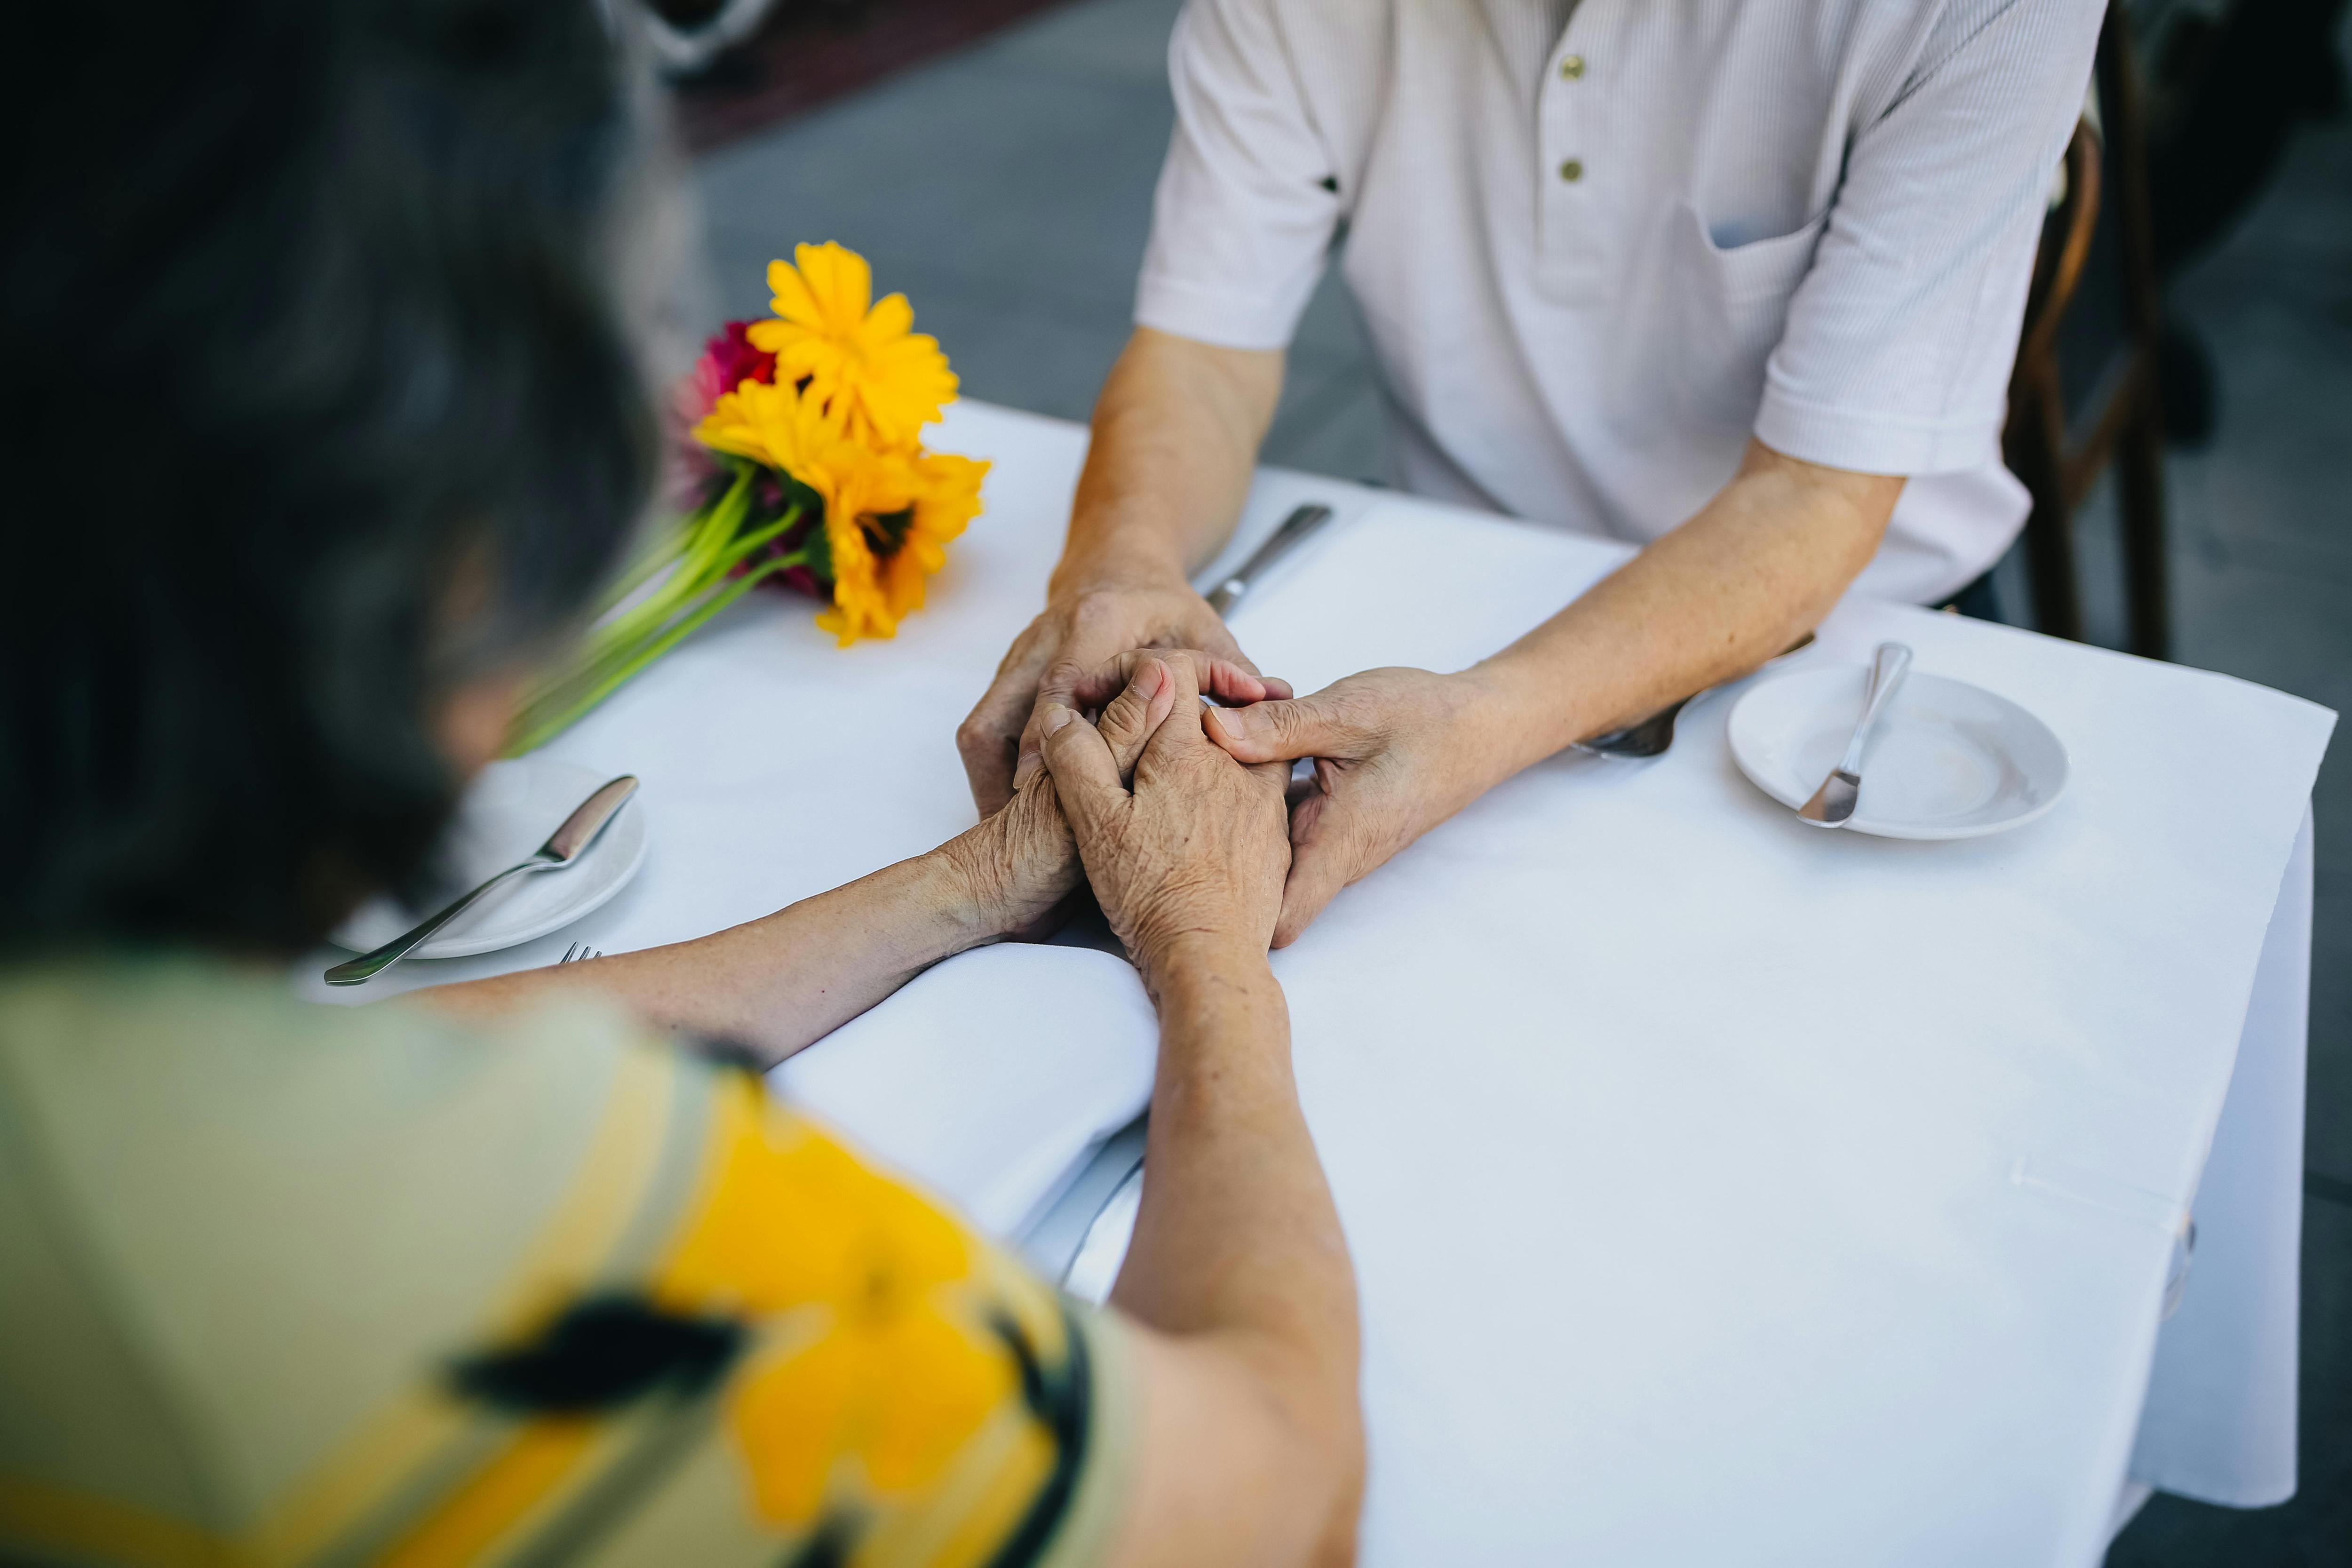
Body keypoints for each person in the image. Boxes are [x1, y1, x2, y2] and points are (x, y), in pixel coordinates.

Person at [0, 4, 1361, 1565]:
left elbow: (325, 1064)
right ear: (462, 545)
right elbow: (1276, 1491)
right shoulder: (556, 1262)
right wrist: (1203, 950)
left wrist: (958, 890)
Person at [959, 0, 2106, 946]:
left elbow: (1813, 497)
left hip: (1847, 662)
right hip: (1452, 578)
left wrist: (1479, 722)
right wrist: (1121, 561)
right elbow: (1203, 352)